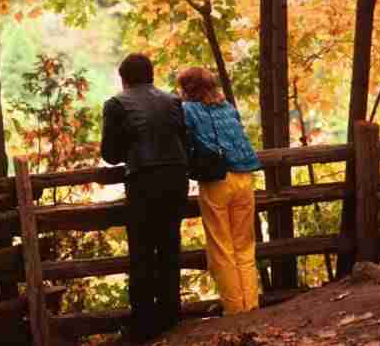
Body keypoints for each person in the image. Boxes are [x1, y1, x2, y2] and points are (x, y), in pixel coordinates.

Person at [101, 53, 189, 342]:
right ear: (151, 75)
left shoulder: (115, 104)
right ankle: (171, 317)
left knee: (141, 252)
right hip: (176, 178)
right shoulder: (173, 101)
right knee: (169, 247)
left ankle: (143, 324)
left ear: (123, 79)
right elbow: (184, 140)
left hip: (144, 181)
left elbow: (110, 154)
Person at [177, 66, 261, 316]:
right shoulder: (227, 108)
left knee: (222, 248)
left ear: (188, 89)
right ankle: (251, 305)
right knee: (244, 245)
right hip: (244, 177)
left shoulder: (187, 110)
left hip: (217, 181)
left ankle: (235, 310)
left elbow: (185, 143)